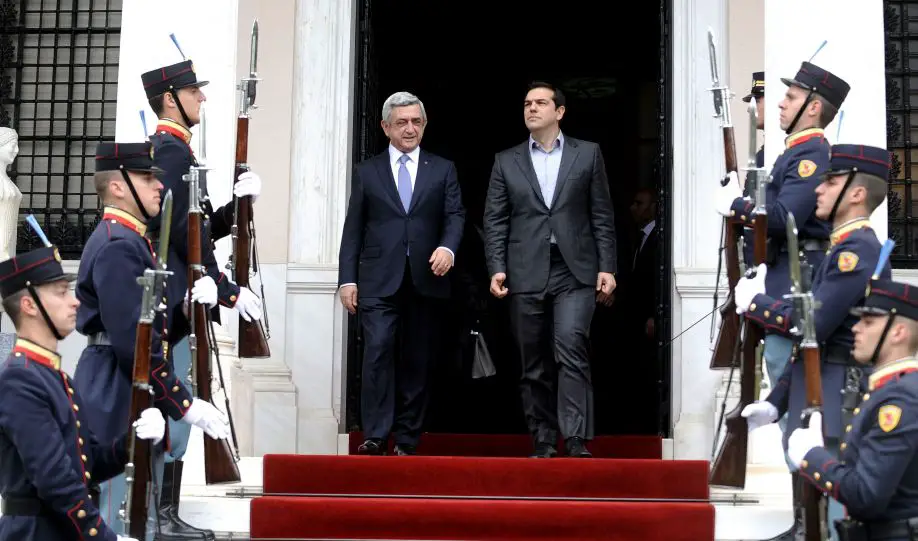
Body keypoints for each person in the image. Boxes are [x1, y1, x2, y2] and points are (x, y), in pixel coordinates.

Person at [72, 142, 231, 540]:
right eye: (147, 178)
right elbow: (133, 343)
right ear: (118, 187)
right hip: (117, 385)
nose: (159, 186)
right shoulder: (118, 245)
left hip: (130, 380)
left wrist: (186, 310)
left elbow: (148, 329)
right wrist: (183, 403)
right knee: (117, 513)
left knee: (137, 513)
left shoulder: (130, 240)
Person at [736, 144, 893, 540]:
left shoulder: (856, 251)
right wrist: (776, 402)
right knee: (816, 511)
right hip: (824, 379)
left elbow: (814, 327)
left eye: (830, 182)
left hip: (840, 389)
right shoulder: (843, 248)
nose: (818, 189)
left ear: (857, 194)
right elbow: (811, 344)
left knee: (836, 516)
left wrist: (759, 304)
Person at [141, 59, 262, 538]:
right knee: (175, 404)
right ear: (171, 99)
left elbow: (198, 230)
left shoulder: (175, 151)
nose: (203, 98)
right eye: (194, 91)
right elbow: (179, 236)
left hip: (182, 297)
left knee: (179, 401)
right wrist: (226, 290)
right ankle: (159, 516)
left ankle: (165, 514)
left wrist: (237, 207)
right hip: (175, 303)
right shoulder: (172, 154)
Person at [483, 81, 617, 458]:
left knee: (571, 345)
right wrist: (496, 267)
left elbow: (601, 214)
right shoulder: (506, 160)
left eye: (541, 103)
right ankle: (543, 437)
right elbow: (495, 220)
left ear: (559, 112)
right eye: (527, 103)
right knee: (533, 361)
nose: (532, 108)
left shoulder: (587, 154)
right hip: (525, 269)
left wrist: (608, 267)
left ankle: (574, 437)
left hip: (575, 269)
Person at [0, 243, 165, 541]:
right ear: (29, 305)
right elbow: (55, 480)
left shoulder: (56, 377)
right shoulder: (19, 379)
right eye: (61, 292)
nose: (75, 302)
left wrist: (135, 440)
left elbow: (89, 465)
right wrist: (104, 537)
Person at [338, 91, 465, 455]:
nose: (410, 129)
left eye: (416, 122)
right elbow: (354, 228)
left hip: (426, 278)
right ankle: (376, 435)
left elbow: (455, 215)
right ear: (385, 127)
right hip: (378, 279)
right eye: (402, 122)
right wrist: (348, 279)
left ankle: (407, 438)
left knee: (418, 360)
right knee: (377, 351)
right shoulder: (367, 171)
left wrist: (448, 248)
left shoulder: (442, 169)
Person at [787, 277, 918, 541]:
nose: (855, 328)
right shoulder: (890, 389)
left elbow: (865, 496)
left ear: (898, 332)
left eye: (868, 322)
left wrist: (812, 457)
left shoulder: (900, 400)